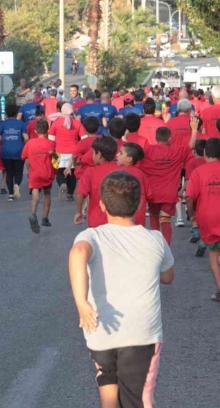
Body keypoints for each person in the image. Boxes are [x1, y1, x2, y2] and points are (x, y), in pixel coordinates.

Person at [69, 172, 174, 408]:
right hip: (141, 334)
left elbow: (77, 253)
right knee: (140, 400)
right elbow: (168, 277)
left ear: (102, 205)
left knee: (108, 389)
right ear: (139, 205)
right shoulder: (156, 239)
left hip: (100, 332)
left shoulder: (91, 236)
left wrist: (81, 303)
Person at [186, 138, 220, 303]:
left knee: (213, 252)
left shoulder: (198, 172)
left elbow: (189, 197)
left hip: (206, 216)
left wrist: (192, 214)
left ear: (204, 153)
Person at [140, 124, 198, 244]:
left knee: (154, 216)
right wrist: (194, 130)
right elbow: (191, 146)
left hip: (152, 192)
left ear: (156, 138)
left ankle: (156, 244)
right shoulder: (176, 150)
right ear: (169, 139)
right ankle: (166, 246)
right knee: (165, 220)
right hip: (169, 193)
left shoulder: (147, 150)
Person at [75, 136, 121, 228]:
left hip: (96, 221)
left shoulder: (90, 172)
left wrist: (78, 212)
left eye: (93, 152)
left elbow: (80, 193)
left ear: (99, 154)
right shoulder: (122, 169)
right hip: (119, 221)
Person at [22, 119, 56, 233]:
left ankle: (33, 214)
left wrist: (29, 168)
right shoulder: (50, 144)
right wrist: (55, 155)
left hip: (34, 174)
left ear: (35, 131)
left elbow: (24, 157)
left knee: (35, 197)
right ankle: (45, 218)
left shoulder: (30, 143)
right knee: (47, 194)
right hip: (47, 174)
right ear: (47, 131)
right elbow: (56, 158)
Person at [0, 104, 29, 202]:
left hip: (5, 152)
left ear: (6, 113)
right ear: (16, 113)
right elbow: (26, 138)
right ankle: (16, 185)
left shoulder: (2, 124)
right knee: (18, 172)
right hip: (19, 151)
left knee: (9, 173)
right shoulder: (21, 124)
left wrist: (3, 141)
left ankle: (10, 195)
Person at [49, 103, 81, 201]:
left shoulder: (56, 123)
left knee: (59, 172)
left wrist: (52, 154)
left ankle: (62, 183)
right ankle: (70, 194)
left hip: (58, 152)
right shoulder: (77, 123)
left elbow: (51, 140)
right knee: (72, 173)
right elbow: (83, 138)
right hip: (73, 152)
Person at [116, 142, 153, 227]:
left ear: (129, 159)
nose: (117, 155)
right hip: (139, 219)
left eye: (121, 153)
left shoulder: (117, 174)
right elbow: (150, 195)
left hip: (120, 218)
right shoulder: (141, 174)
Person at [65, 117, 101, 196]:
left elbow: (74, 156)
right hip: (99, 171)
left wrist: (73, 166)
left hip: (83, 172)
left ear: (84, 128)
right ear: (98, 127)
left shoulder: (82, 142)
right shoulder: (102, 140)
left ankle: (82, 207)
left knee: (82, 192)